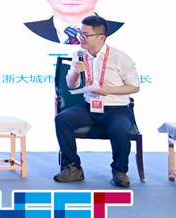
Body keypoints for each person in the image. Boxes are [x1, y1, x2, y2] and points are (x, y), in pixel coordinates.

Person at [54, 15, 140, 188]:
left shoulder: (119, 57)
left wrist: (108, 90)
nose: (81, 38)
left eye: (86, 35)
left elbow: (134, 87)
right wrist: (76, 71)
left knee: (119, 129)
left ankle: (119, 171)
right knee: (62, 120)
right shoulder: (79, 55)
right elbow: (70, 84)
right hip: (89, 107)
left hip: (117, 109)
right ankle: (73, 168)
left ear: (101, 37)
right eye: (80, 33)